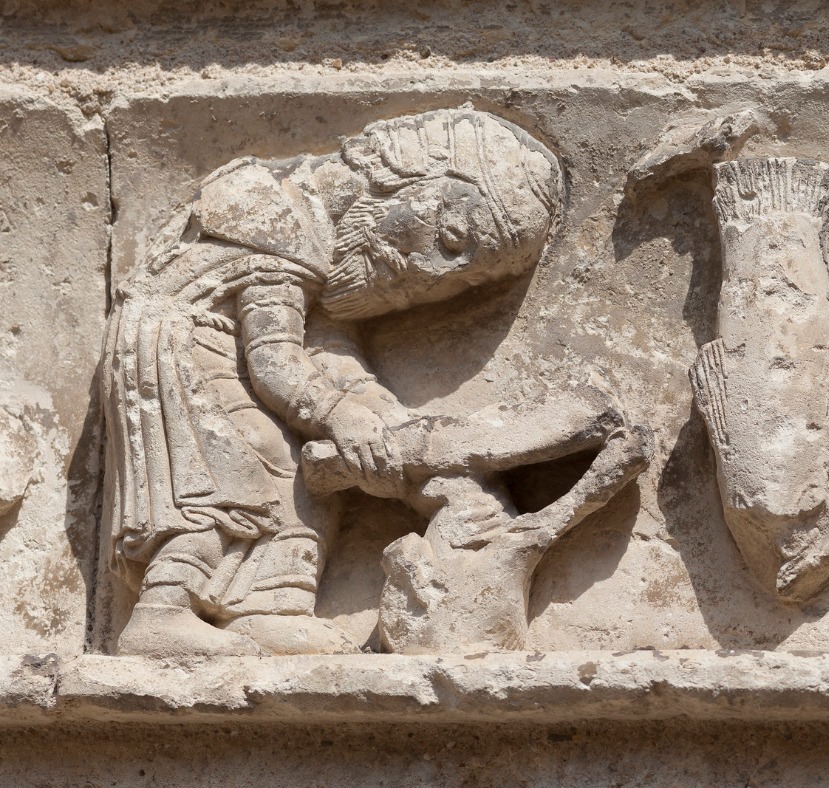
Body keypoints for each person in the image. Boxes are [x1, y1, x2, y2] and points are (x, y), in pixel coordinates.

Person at [101, 108, 562, 656]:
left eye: (459, 281)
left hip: (224, 354)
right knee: (235, 472)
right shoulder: (277, 213)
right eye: (452, 237)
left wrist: (383, 417)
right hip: (184, 350)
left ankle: (270, 608)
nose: (435, 274)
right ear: (410, 175)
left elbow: (326, 349)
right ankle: (161, 611)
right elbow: (274, 359)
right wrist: (340, 416)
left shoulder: (330, 250)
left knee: (306, 477)